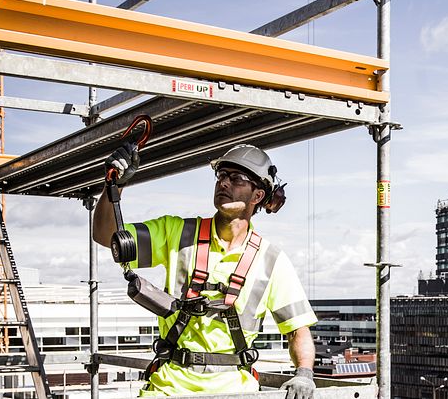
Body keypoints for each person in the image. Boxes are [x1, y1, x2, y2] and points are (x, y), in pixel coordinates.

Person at [93, 143, 317, 398]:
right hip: (168, 389)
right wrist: (114, 186)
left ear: (258, 195)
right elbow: (105, 235)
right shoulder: (176, 233)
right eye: (221, 176)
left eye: (237, 179)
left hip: (236, 392)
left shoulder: (271, 260)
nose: (224, 183)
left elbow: (298, 330)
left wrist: (304, 374)